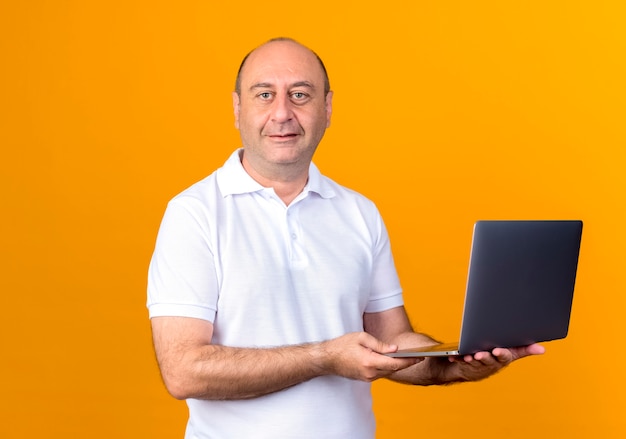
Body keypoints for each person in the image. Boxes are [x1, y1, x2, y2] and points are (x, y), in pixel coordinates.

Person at [147, 37, 545, 439]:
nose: (282, 113)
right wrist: (323, 358)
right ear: (237, 109)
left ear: (328, 108)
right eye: (264, 95)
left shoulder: (359, 213)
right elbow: (183, 371)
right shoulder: (194, 213)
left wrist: (452, 363)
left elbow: (391, 341)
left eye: (300, 95)